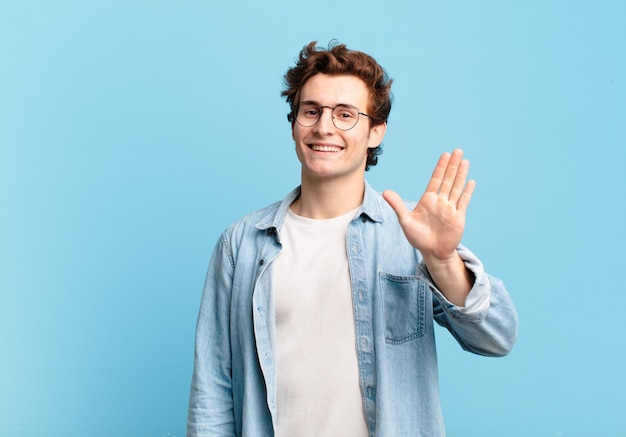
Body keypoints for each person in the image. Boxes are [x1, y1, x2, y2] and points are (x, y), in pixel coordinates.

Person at [187, 41, 518, 437]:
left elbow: (497, 337)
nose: (324, 127)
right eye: (311, 111)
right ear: (295, 124)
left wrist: (442, 260)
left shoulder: (412, 233)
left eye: (345, 114)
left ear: (375, 131)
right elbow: (213, 387)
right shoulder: (241, 243)